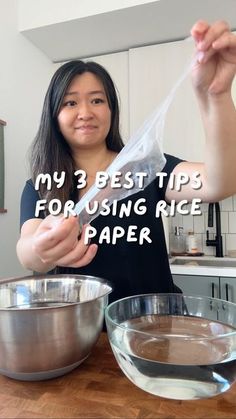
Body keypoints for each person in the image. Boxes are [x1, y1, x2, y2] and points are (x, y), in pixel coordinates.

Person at [17, 20, 236, 303]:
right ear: (54, 116)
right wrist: (41, 248)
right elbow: (28, 253)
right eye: (70, 103)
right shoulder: (40, 187)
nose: (85, 112)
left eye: (97, 100)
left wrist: (215, 96)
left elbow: (221, 182)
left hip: (155, 333)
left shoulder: (146, 169)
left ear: (111, 110)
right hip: (85, 336)